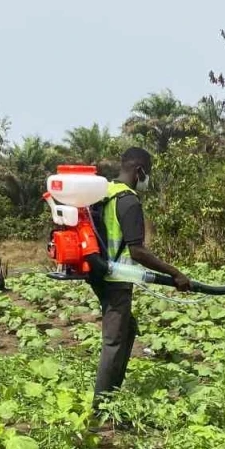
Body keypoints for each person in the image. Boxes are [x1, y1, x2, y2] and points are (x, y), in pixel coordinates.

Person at [89, 147, 190, 399]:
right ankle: (101, 409)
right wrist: (175, 273)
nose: (147, 179)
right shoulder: (129, 200)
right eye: (148, 173)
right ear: (139, 170)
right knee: (114, 342)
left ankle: (111, 394)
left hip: (99, 274)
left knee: (128, 329)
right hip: (117, 279)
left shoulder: (105, 193)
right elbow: (138, 252)